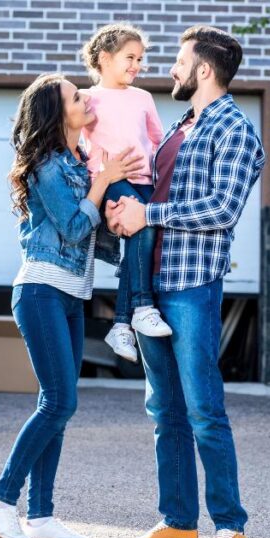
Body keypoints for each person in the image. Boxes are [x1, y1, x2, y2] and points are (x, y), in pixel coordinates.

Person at [105, 25, 265, 538]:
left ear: (203, 69)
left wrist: (149, 214)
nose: (169, 69)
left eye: (178, 60)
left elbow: (222, 210)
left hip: (191, 284)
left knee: (203, 409)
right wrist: (123, 211)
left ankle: (230, 528)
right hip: (149, 284)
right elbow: (149, 193)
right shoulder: (180, 125)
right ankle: (177, 523)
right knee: (164, 410)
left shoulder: (236, 130)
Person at [0, 73, 142, 538]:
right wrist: (104, 183)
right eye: (76, 96)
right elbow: (71, 229)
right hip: (41, 291)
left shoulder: (81, 161)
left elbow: (94, 237)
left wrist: (119, 214)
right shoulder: (47, 165)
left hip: (71, 294)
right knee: (59, 401)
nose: (86, 98)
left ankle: (42, 515)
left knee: (59, 405)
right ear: (57, 113)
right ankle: (3, 500)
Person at [81, 22, 172, 364]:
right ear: (104, 58)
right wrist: (98, 179)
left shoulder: (143, 98)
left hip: (144, 179)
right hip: (111, 180)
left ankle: (121, 324)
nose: (137, 65)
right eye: (129, 57)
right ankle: (142, 307)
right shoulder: (88, 99)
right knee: (142, 230)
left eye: (140, 59)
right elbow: (76, 140)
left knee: (141, 242)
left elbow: (158, 141)